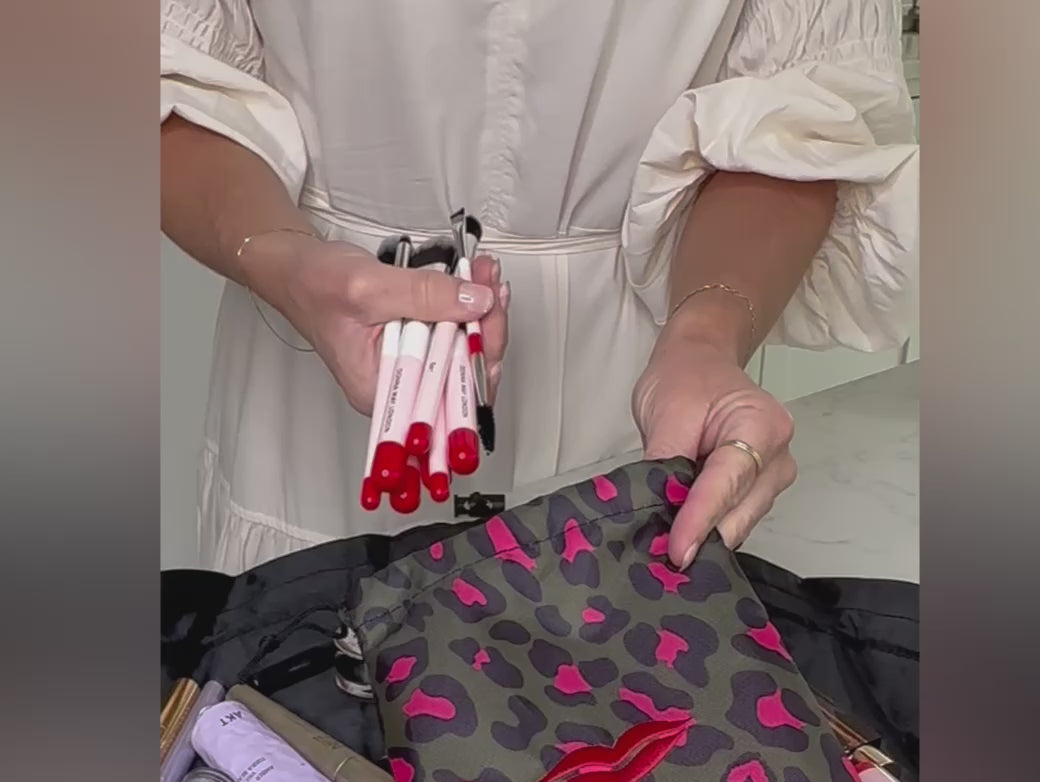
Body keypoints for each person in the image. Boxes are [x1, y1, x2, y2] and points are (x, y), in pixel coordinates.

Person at [161, 0, 918, 575]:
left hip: (634, 380)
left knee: (613, 701)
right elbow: (166, 74)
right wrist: (283, 256)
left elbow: (803, 110)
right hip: (311, 387)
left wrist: (705, 336)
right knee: (300, 701)